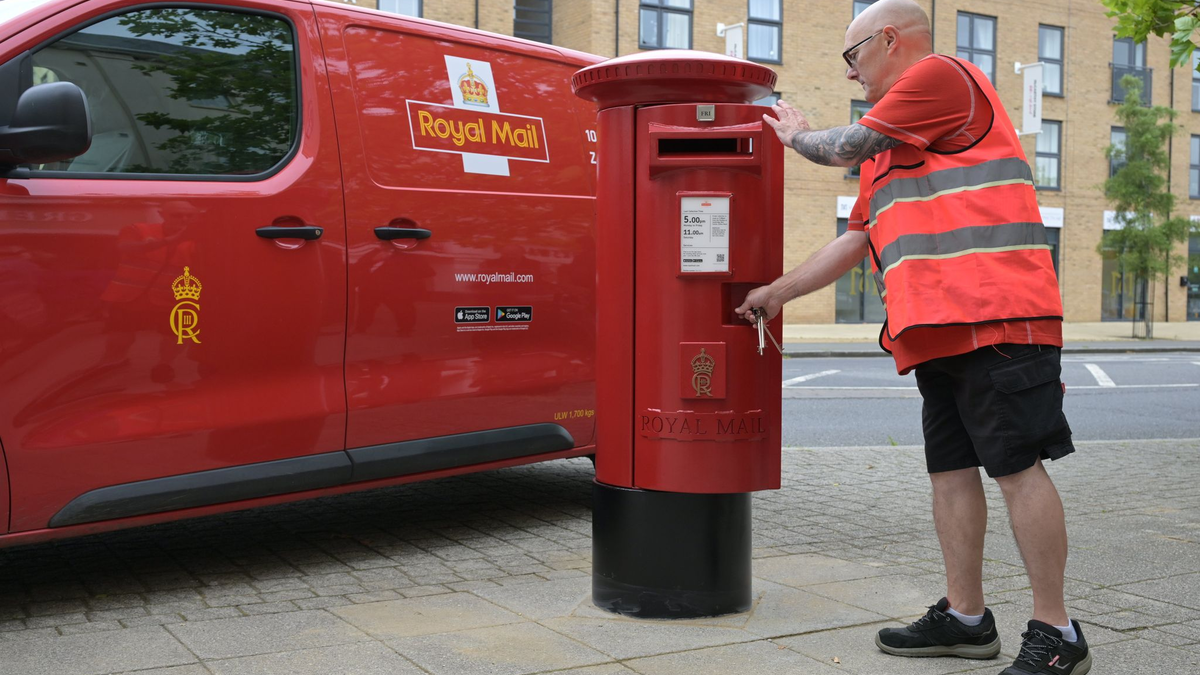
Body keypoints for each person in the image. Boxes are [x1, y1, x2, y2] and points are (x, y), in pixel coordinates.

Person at [735, 1, 1090, 674]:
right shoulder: (891, 144)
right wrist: (776, 294)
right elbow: (856, 238)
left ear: (889, 41)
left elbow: (838, 145)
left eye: (853, 57)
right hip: (933, 332)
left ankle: (1057, 629)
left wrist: (793, 134)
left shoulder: (940, 77)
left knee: (1017, 470)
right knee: (950, 474)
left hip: (999, 317)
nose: (851, 73)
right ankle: (966, 617)